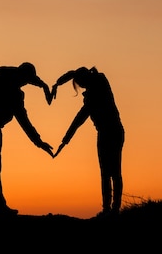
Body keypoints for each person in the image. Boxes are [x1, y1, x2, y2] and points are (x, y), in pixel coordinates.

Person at [0, 62, 54, 216]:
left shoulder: (10, 80)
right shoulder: (9, 85)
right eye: (25, 81)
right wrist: (39, 142)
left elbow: (26, 79)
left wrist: (43, 85)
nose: (25, 84)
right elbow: (23, 120)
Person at [51, 66, 125, 217]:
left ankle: (114, 210)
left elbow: (78, 119)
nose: (82, 87)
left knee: (114, 172)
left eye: (81, 83)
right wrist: (58, 83)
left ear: (85, 79)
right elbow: (73, 73)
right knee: (106, 173)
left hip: (113, 131)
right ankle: (107, 209)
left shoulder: (99, 84)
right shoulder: (95, 87)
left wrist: (65, 141)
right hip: (105, 133)